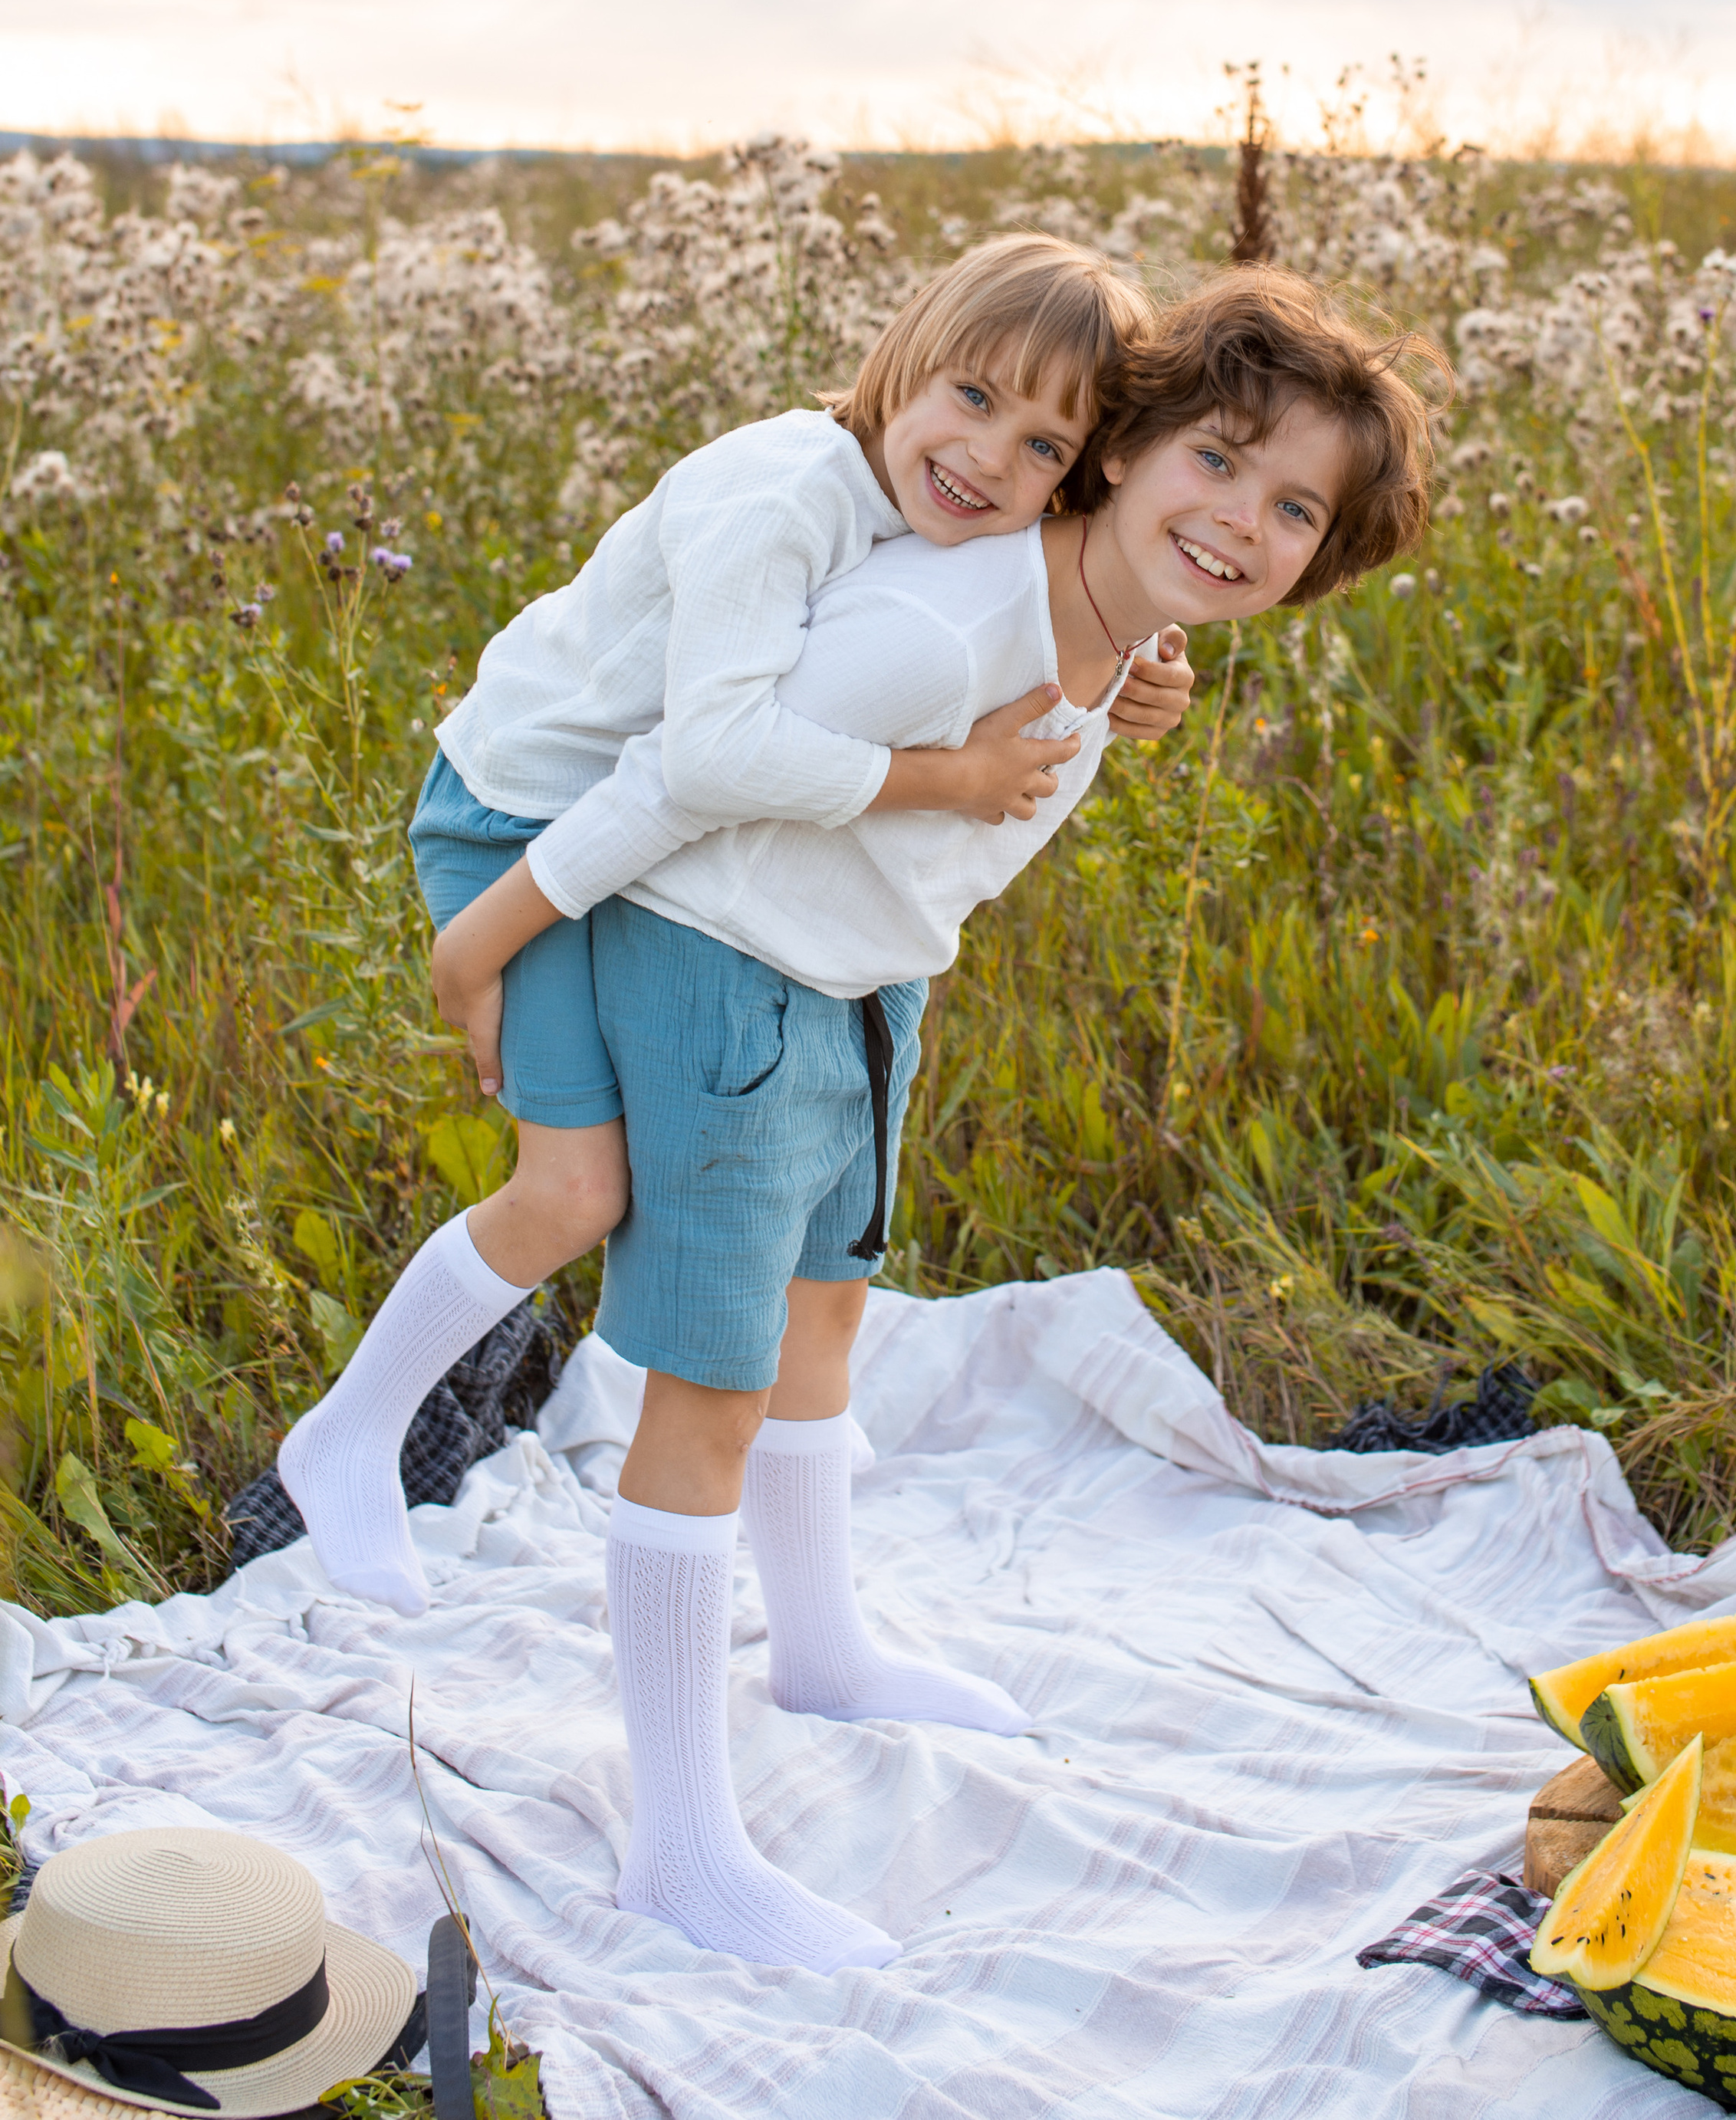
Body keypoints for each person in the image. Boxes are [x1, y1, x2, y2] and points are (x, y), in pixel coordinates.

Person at [570, 264, 1440, 1972]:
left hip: (859, 983)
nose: (1238, 521)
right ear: (1117, 454)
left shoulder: (1111, 632)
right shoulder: (941, 620)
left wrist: (1139, 665)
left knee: (831, 1318)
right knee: (713, 1391)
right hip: (730, 970)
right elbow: (698, 768)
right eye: (1215, 462)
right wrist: (506, 936)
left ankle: (816, 1649)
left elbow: (1052, 707)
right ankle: (677, 1847)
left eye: (1289, 510)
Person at [278, 233, 1187, 1619]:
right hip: (526, 815)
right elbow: (710, 762)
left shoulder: (937, 503)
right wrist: (477, 941)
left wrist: (1144, 660)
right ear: (902, 356)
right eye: (972, 396)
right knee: (574, 1190)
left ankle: (370, 1441)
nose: (993, 461)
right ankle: (346, 1436)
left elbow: (1064, 592)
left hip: (639, 841)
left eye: (1046, 446)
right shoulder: (777, 497)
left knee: (602, 1191)